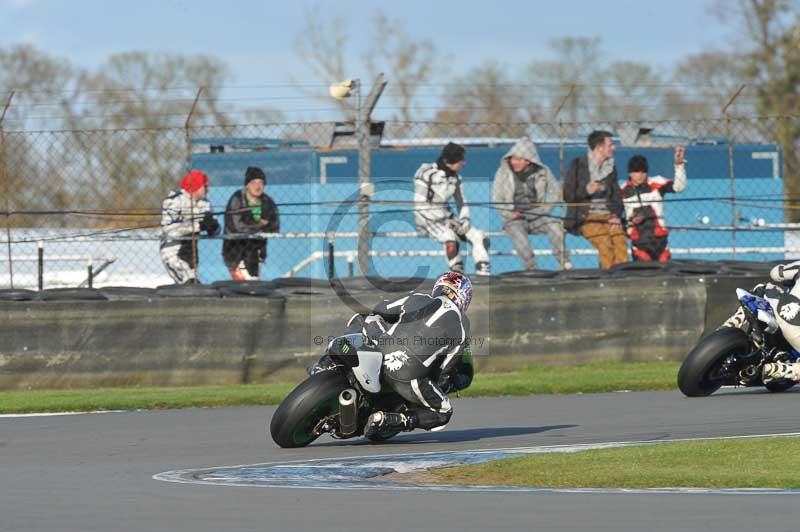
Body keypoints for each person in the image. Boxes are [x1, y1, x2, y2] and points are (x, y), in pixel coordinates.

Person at [318, 271, 474, 437]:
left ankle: (326, 364)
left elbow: (381, 308)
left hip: (381, 349)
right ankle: (391, 420)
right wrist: (439, 384)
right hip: (408, 376)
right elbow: (445, 372)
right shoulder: (462, 329)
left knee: (363, 317)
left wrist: (381, 332)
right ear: (464, 299)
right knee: (444, 411)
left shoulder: (418, 297)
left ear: (439, 286)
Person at [492, 137, 572, 270]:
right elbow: (496, 198)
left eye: (518, 159)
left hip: (537, 215)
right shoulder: (503, 173)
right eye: (512, 159)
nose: (514, 162)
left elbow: (555, 192)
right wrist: (508, 213)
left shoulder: (543, 171)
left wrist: (544, 210)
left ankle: (564, 262)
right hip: (513, 218)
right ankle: (531, 268)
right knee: (520, 237)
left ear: (528, 161)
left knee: (555, 225)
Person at [414, 142, 491, 276]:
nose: (464, 163)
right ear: (449, 160)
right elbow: (419, 204)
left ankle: (483, 272)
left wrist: (464, 220)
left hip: (447, 217)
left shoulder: (456, 178)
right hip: (427, 219)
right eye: (461, 160)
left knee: (479, 236)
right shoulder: (426, 173)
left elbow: (461, 202)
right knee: (450, 238)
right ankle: (457, 272)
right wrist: (443, 222)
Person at [563, 130, 627, 269]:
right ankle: (608, 281)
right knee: (605, 244)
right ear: (599, 148)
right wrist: (586, 190)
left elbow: (616, 195)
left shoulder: (611, 167)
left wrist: (616, 215)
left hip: (608, 215)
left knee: (620, 242)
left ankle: (623, 278)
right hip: (586, 217)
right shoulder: (578, 165)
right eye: (610, 145)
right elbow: (567, 195)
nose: (614, 148)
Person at [621, 147, 687, 262]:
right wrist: (631, 221)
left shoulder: (657, 183)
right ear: (630, 173)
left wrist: (679, 166)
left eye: (643, 171)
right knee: (645, 277)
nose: (640, 175)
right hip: (639, 244)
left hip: (661, 242)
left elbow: (679, 187)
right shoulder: (622, 191)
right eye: (636, 171)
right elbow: (617, 217)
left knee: (666, 275)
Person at [159, 169, 220, 284]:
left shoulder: (205, 203)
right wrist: (198, 225)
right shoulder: (174, 201)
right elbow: (168, 230)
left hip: (191, 253)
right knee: (189, 283)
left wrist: (213, 227)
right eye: (205, 186)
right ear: (196, 186)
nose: (208, 190)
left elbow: (216, 229)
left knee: (193, 286)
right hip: (172, 252)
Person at [223, 166, 280, 280]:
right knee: (245, 285)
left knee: (253, 283)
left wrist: (254, 227)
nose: (258, 186)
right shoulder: (237, 199)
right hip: (236, 252)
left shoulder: (267, 202)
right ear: (247, 184)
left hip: (257, 250)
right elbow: (236, 226)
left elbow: (274, 226)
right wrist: (259, 225)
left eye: (261, 183)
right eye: (254, 182)